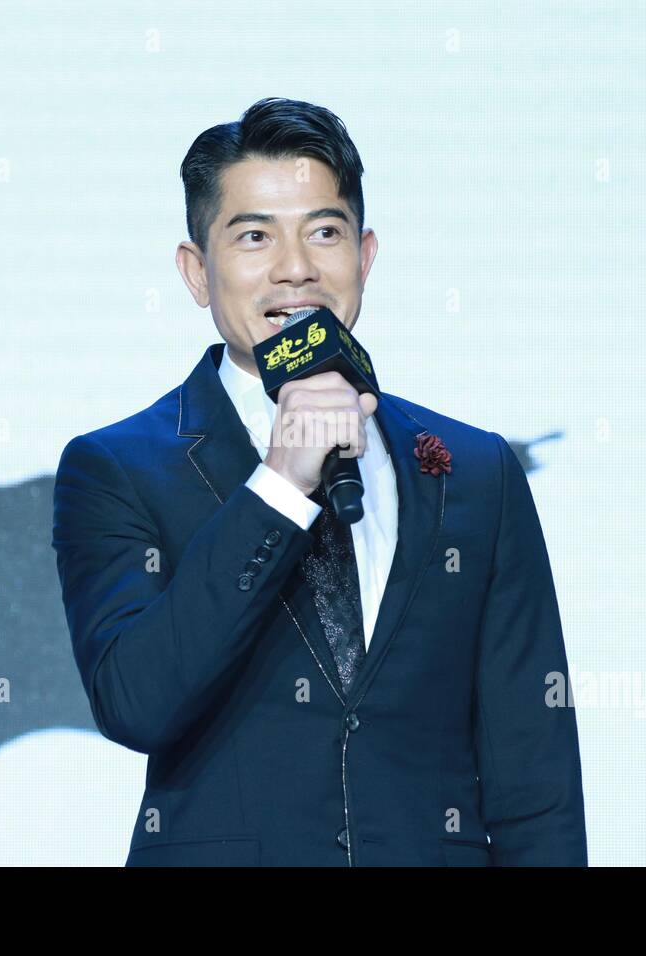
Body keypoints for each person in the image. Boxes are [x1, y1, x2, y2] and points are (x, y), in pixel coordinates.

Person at [52, 97, 587, 866]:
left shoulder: (474, 470)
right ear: (197, 272)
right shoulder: (118, 467)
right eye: (255, 236)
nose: (295, 266)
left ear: (365, 257)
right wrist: (278, 485)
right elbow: (137, 702)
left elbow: (535, 771)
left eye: (324, 231)